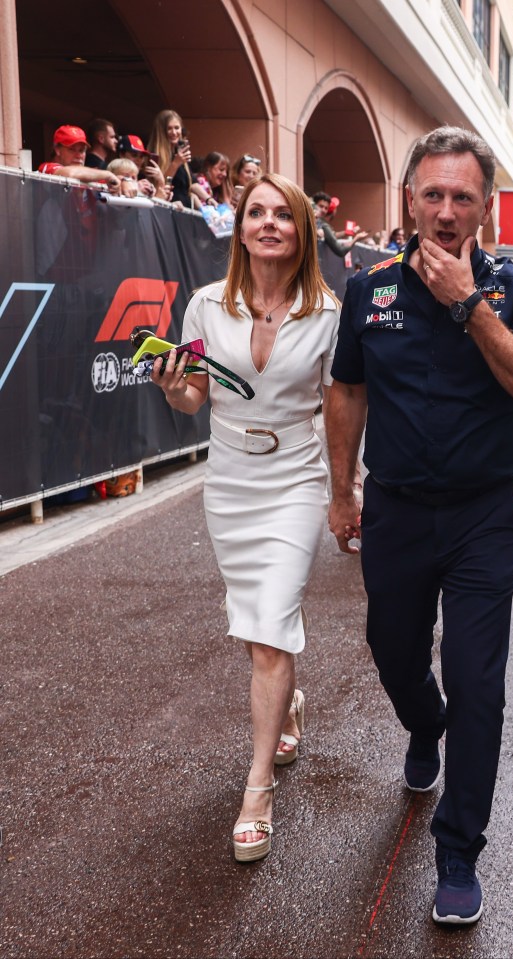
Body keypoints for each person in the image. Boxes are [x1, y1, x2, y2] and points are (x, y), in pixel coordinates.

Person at [325, 125, 513, 925]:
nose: (448, 209)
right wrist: (340, 490)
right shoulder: (370, 285)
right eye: (434, 193)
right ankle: (423, 725)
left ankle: (457, 851)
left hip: (483, 515)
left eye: (464, 195)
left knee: (479, 682)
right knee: (391, 650)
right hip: (392, 506)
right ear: (410, 200)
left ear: (485, 204)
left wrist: (469, 306)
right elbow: (346, 390)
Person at [149, 173, 339, 863]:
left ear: (300, 231)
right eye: (254, 212)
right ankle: (284, 704)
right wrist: (175, 389)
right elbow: (194, 398)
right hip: (229, 480)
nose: (266, 224)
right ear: (239, 228)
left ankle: (257, 786)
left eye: (280, 215)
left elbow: (340, 404)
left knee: (269, 627)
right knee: (253, 622)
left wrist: (345, 490)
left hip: (294, 478)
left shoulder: (328, 313)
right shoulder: (206, 305)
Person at [38, 125, 120, 189]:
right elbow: (69, 173)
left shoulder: (93, 174)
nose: (79, 155)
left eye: (81, 150)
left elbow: (115, 182)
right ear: (57, 150)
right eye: (72, 149)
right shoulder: (47, 168)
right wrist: (107, 174)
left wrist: (125, 182)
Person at [148, 109, 193, 208]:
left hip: (184, 210)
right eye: (169, 129)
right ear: (161, 131)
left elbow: (191, 185)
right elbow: (161, 186)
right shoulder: (154, 156)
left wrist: (208, 199)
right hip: (167, 210)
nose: (174, 132)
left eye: (177, 128)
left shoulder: (179, 154)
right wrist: (175, 164)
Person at [312, 191, 369, 256]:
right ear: (314, 205)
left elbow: (332, 235)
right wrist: (356, 239)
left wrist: (349, 233)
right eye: (321, 206)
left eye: (326, 208)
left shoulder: (322, 225)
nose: (323, 210)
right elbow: (340, 250)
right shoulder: (305, 218)